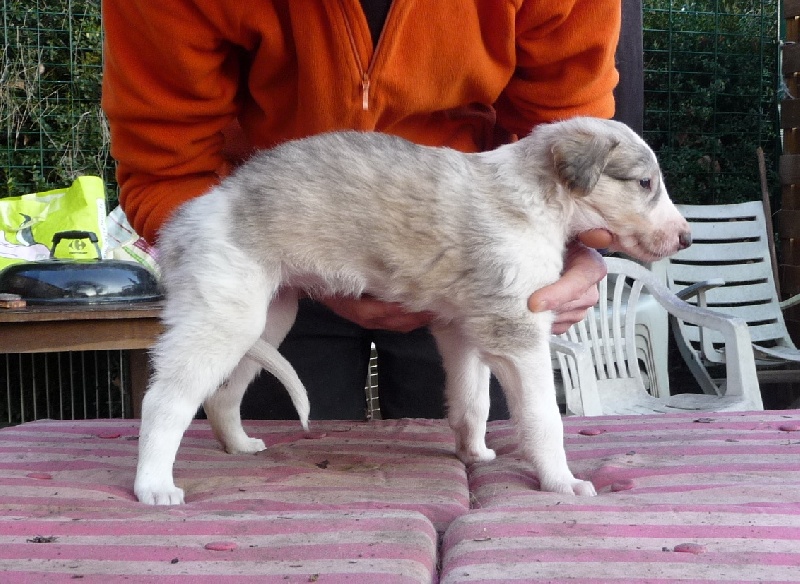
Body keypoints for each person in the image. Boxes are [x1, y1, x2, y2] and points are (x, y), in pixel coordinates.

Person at [101, 0, 619, 421]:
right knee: (275, 473)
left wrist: (567, 247)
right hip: (276, 250)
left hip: (469, 263)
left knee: (477, 471)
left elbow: (572, 143)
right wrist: (263, 258)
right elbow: (167, 169)